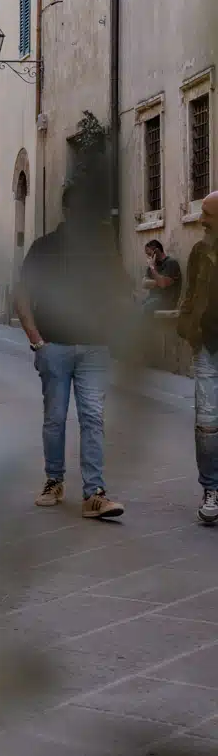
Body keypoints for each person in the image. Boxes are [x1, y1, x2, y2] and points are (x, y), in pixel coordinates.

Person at [16, 181, 131, 520]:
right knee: (55, 418)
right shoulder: (45, 248)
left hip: (95, 349)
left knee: (93, 418)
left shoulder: (104, 250)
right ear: (69, 211)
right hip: (55, 345)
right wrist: (36, 339)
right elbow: (22, 294)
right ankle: (54, 481)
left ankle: (94, 493)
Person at [177, 190, 218, 524]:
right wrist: (188, 328)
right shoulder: (199, 252)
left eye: (208, 214)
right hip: (206, 346)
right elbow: (189, 294)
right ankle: (211, 489)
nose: (202, 220)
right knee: (206, 424)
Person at [141, 239, 181, 311]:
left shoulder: (171, 263)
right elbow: (144, 283)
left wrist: (153, 268)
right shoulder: (152, 265)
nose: (148, 258)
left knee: (144, 309)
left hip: (166, 301)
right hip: (153, 299)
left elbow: (162, 284)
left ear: (156, 251)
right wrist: (158, 282)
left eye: (149, 254)